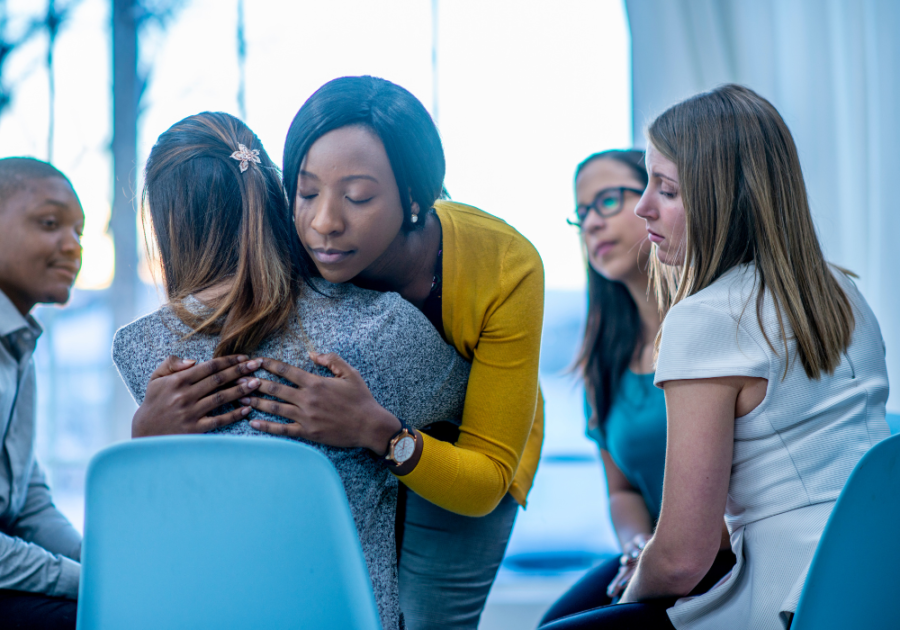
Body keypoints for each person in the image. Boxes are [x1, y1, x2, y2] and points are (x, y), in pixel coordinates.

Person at [542, 84, 889, 630]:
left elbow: (681, 559)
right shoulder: (844, 293)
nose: (643, 207)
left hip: (782, 599)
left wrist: (626, 600)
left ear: (724, 197)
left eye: (667, 190)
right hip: (871, 581)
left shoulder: (704, 319)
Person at [111, 112, 470, 630]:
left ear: (165, 219)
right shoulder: (379, 326)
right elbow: (477, 423)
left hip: (201, 616)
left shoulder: (143, 349)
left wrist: (144, 443)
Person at [237, 75, 545, 629]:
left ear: (414, 199)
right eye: (306, 192)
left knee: (427, 622)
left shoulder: (505, 265)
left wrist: (377, 432)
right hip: (338, 444)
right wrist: (154, 423)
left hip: (464, 455)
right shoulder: (288, 241)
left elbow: (484, 479)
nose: (323, 222)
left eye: (357, 197)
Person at [539, 151, 733, 627]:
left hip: (725, 558)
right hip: (656, 552)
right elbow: (621, 491)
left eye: (606, 201)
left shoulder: (717, 328)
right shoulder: (602, 360)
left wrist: (656, 560)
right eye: (581, 213)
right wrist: (635, 547)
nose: (591, 223)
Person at [0, 157, 84, 630]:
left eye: (80, 232)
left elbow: (27, 500)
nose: (72, 247)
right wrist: (83, 581)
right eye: (50, 223)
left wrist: (99, 564)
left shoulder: (18, 340)